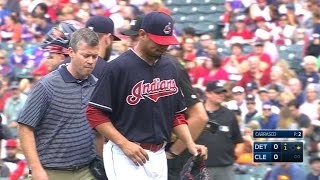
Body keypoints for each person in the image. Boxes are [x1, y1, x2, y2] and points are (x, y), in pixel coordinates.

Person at [86, 11, 208, 180]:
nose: (164, 46)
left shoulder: (170, 67)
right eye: (158, 41)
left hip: (158, 154)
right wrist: (124, 144)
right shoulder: (117, 67)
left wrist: (190, 144)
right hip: (125, 154)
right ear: (142, 34)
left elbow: (176, 114)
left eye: (167, 42)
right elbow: (94, 113)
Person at [121, 14, 209, 179]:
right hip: (138, 153)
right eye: (129, 38)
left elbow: (199, 116)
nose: (130, 42)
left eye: (134, 38)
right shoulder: (131, 66)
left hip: (167, 151)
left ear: (144, 36)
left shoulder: (169, 66)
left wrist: (173, 153)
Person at [18, 28, 100, 180]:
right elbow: (25, 127)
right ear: (71, 52)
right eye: (86, 55)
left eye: (95, 56)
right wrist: (36, 169)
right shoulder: (47, 85)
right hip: (52, 172)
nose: (90, 61)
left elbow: (99, 131)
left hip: (87, 170)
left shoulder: (96, 85)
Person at [196, 80, 243, 180]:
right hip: (200, 167)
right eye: (218, 92)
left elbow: (238, 140)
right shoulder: (196, 113)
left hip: (225, 167)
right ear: (207, 93)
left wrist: (236, 153)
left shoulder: (229, 115)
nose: (221, 95)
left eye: (223, 92)